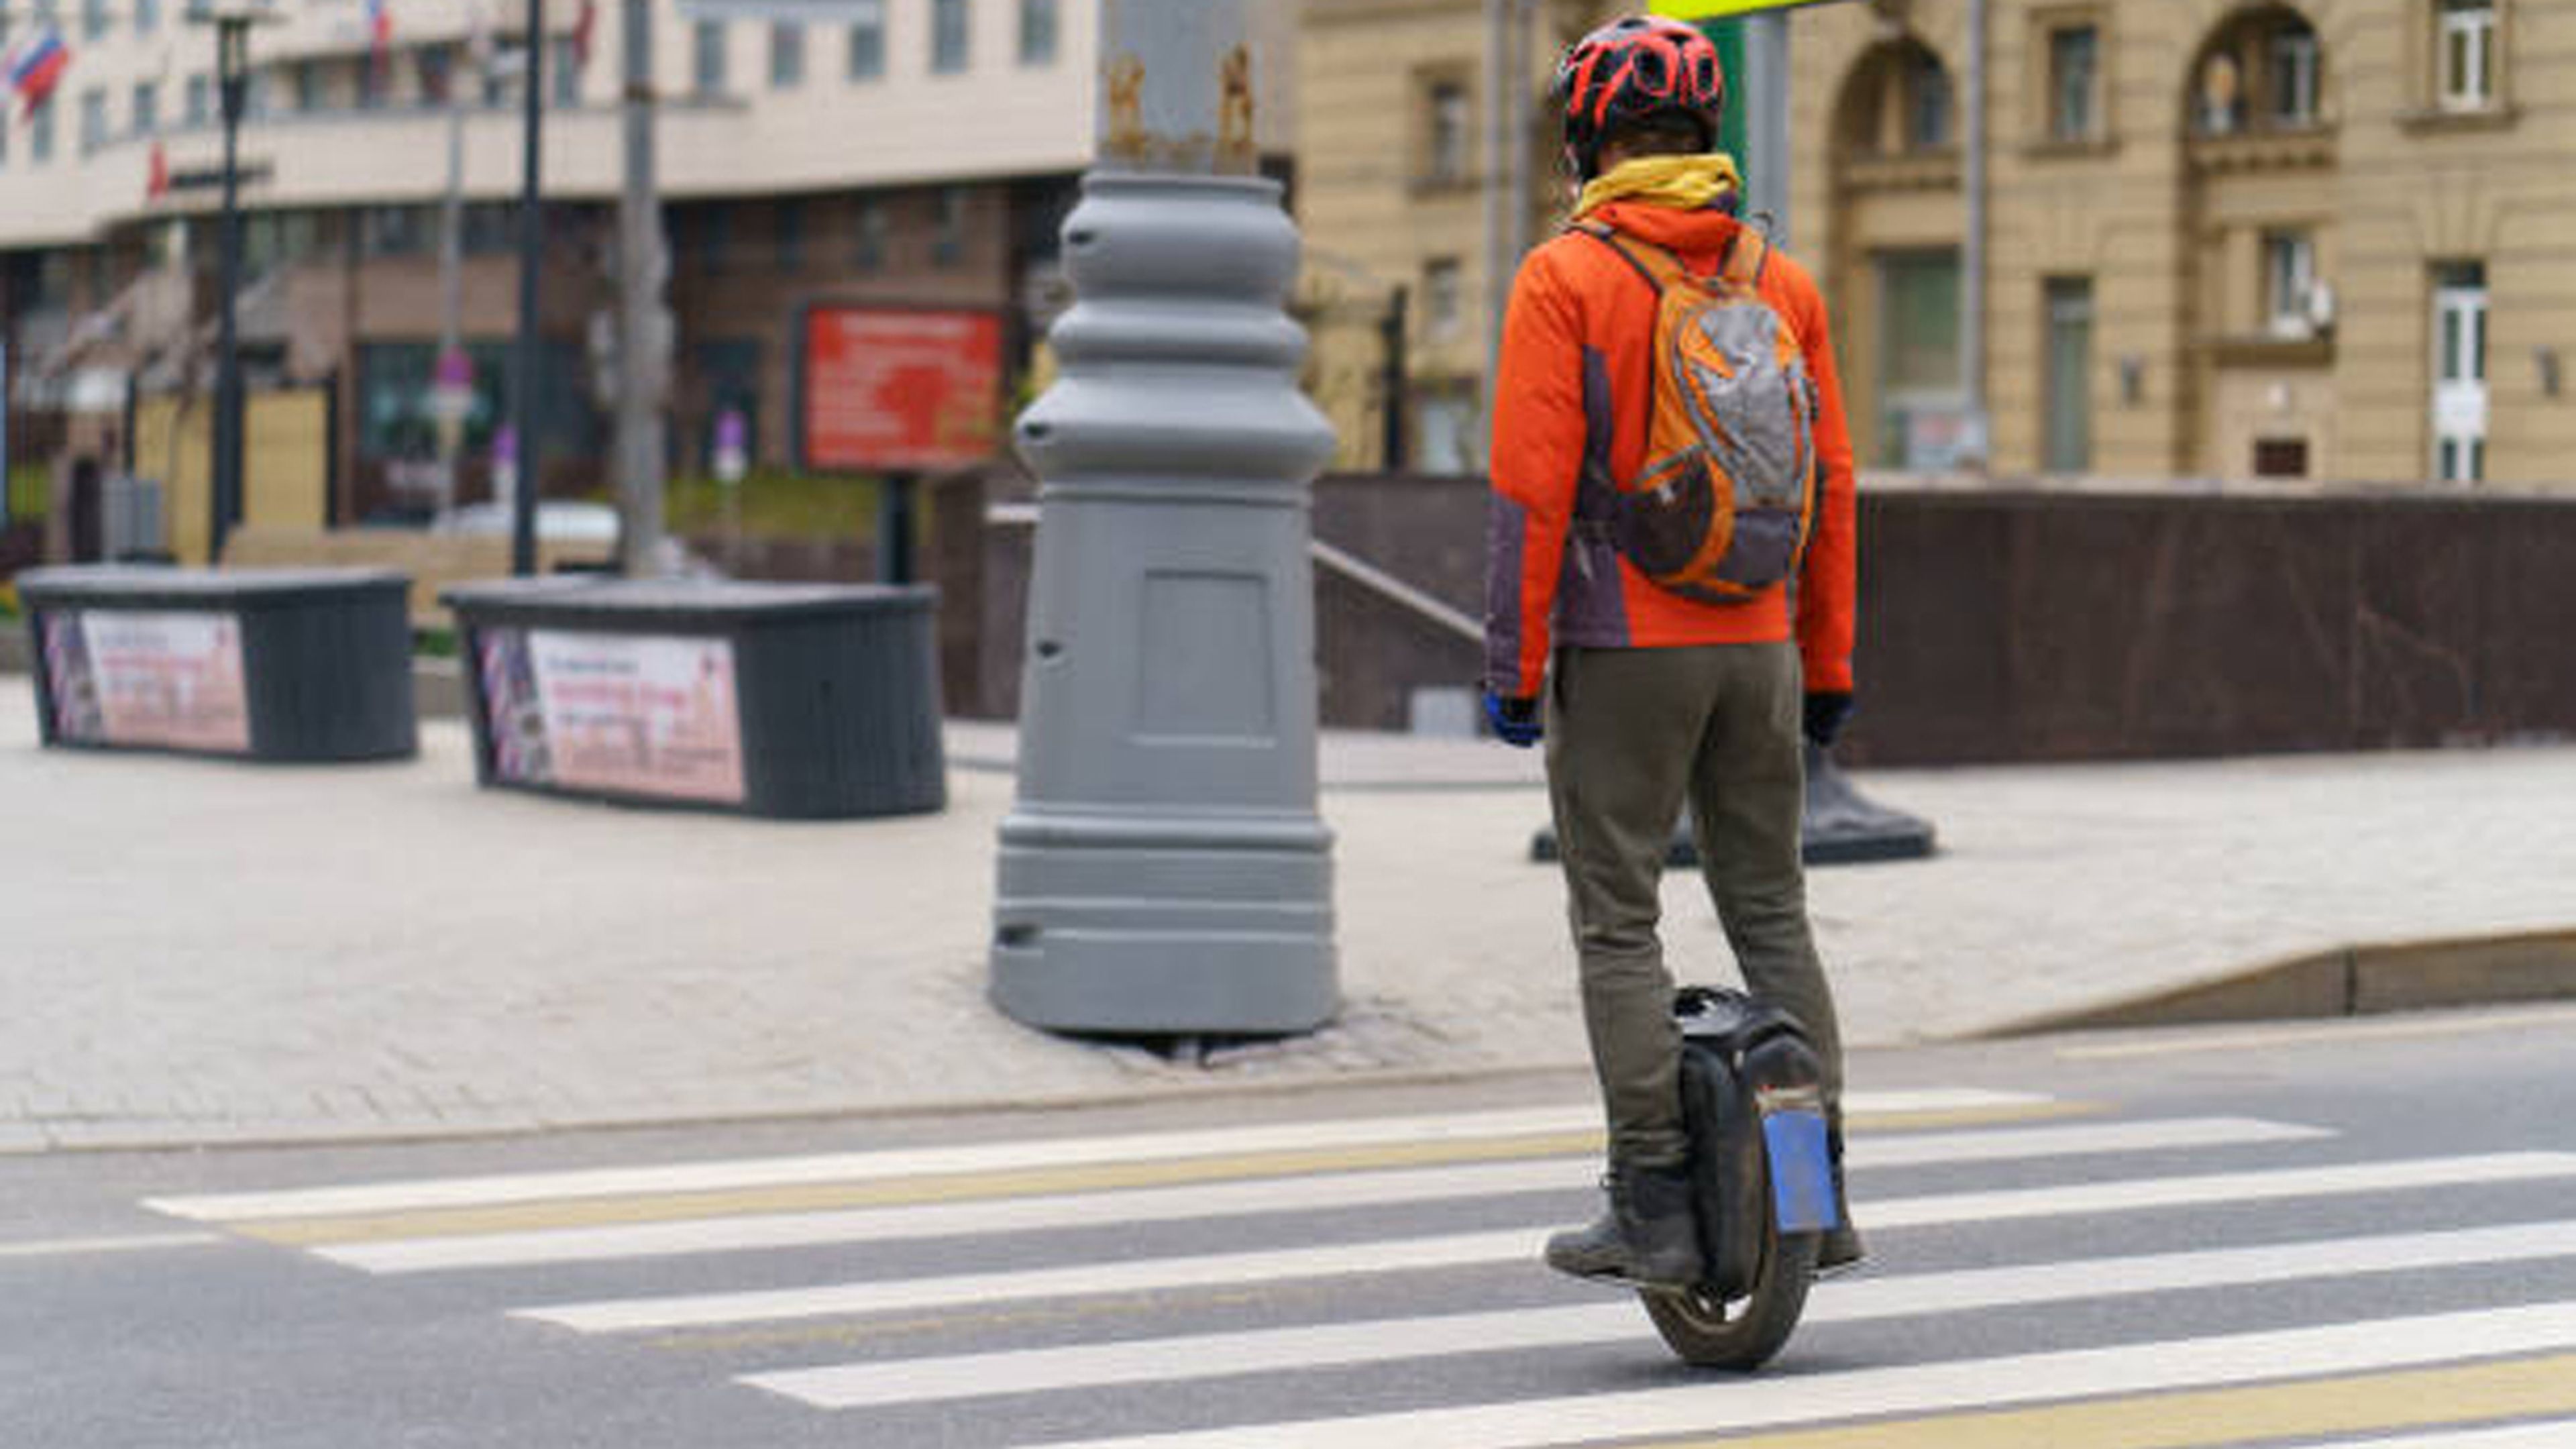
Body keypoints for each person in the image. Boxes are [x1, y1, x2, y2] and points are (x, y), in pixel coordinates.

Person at [1482, 13, 1862, 1289]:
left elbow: (1531, 492)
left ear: (1591, 142)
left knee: (1618, 922)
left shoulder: (1566, 276)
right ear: (1707, 139)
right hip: (1759, 647)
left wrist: (1510, 662)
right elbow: (1836, 486)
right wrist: (1830, 662)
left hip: (1626, 643)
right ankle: (1819, 1190)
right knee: (1771, 910)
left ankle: (1650, 1196)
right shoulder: (1782, 281)